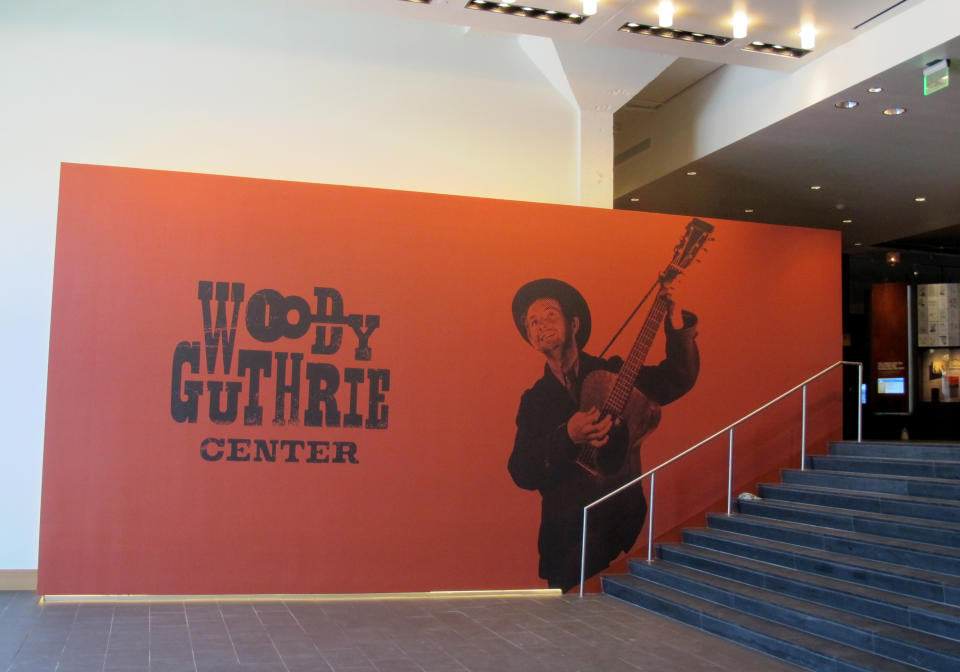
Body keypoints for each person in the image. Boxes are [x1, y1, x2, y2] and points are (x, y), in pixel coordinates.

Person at [508, 278, 699, 592]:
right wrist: (567, 436)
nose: (541, 325)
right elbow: (520, 470)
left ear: (575, 324)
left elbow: (675, 379)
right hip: (566, 537)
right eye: (532, 322)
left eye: (550, 314)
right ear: (531, 339)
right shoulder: (535, 400)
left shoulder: (612, 374)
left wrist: (677, 324)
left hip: (620, 525)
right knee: (569, 628)